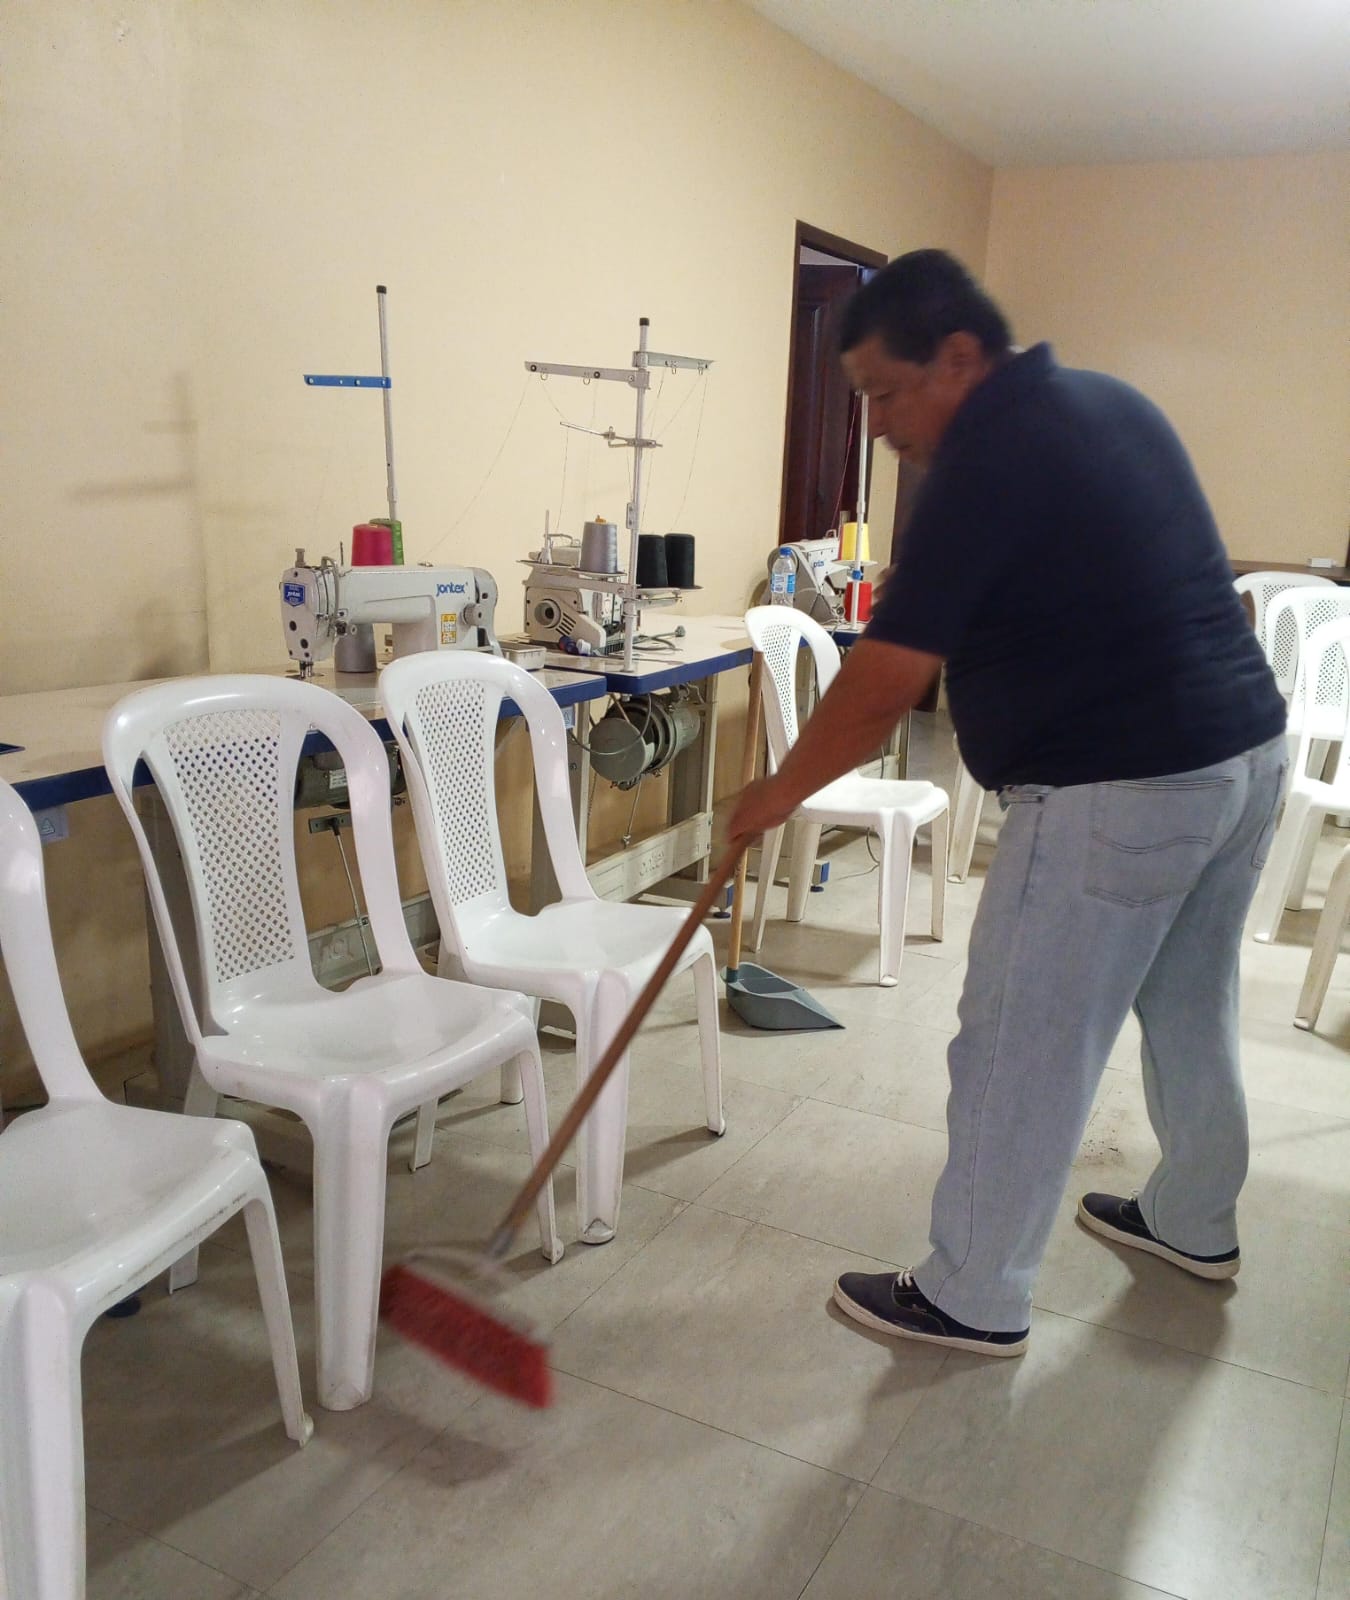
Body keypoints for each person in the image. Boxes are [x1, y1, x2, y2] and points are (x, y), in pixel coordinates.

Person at [729, 250, 1286, 1357]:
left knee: (1021, 1043)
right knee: (1190, 1002)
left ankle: (972, 1292)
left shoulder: (985, 459)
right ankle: (1195, 1219)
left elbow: (883, 685)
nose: (881, 425)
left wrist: (775, 795)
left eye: (887, 393)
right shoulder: (1109, 403)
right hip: (1242, 758)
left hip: (1117, 788)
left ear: (959, 356)